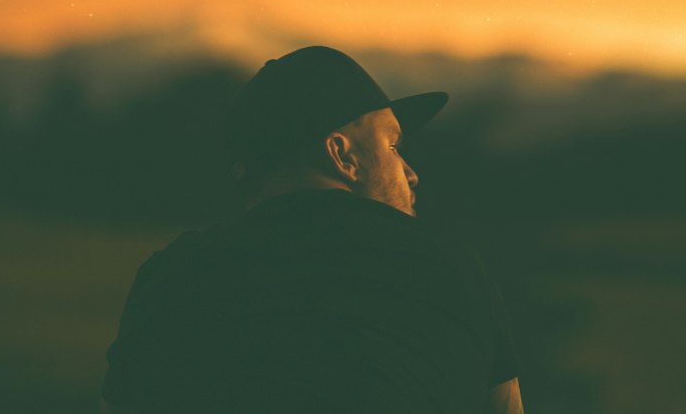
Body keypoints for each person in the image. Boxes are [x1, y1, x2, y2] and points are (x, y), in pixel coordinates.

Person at [102, 45, 524, 412]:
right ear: (343, 156)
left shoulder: (175, 276)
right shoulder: (450, 268)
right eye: (393, 146)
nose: (411, 174)